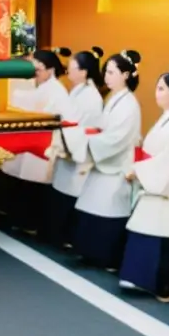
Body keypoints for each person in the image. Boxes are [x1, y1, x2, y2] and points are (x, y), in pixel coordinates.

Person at [118, 63, 169, 305]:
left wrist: (140, 170)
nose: (157, 92)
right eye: (157, 87)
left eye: (162, 88)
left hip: (164, 186)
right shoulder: (168, 119)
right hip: (154, 181)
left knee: (165, 241)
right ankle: (152, 280)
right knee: (160, 239)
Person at [72, 50, 143, 271]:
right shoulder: (115, 99)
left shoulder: (129, 104)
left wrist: (91, 141)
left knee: (109, 210)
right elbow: (105, 128)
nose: (107, 76)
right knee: (94, 206)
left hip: (115, 164)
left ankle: (108, 258)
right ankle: (90, 252)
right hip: (104, 161)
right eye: (106, 72)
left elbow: (117, 137)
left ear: (126, 75)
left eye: (112, 72)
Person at [0, 47, 71, 234]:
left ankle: (31, 223)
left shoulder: (57, 91)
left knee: (35, 184)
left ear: (50, 70)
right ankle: (21, 220)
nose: (35, 75)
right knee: (24, 181)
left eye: (38, 71)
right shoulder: (40, 87)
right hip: (31, 139)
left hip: (44, 142)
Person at [45, 48, 104, 248]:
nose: (68, 70)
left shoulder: (90, 96)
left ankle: (64, 237)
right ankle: (57, 235)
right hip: (69, 146)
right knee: (61, 193)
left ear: (84, 72)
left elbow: (77, 125)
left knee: (69, 196)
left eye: (72, 67)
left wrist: (59, 130)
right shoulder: (79, 91)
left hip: (77, 151)